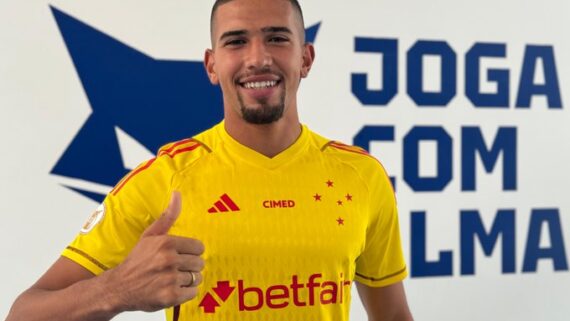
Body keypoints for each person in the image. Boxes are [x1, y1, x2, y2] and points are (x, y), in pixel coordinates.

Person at [6, 0, 413, 320]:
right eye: (236, 41)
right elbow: (24, 314)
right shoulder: (163, 179)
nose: (258, 58)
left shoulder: (361, 176)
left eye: (277, 38)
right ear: (212, 65)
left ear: (305, 58)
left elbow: (393, 315)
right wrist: (118, 291)